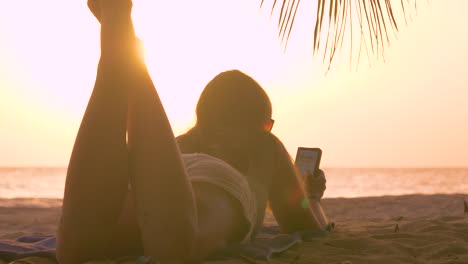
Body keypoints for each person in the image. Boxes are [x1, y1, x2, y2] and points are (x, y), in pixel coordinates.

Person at [56, 1, 327, 263]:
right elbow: (306, 227)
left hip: (156, 178)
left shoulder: (174, 147)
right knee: (177, 247)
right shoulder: (265, 145)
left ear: (203, 118)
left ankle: (121, 50)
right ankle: (130, 57)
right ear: (263, 126)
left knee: (78, 251)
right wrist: (311, 197)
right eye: (267, 127)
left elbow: (149, 176)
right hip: (221, 182)